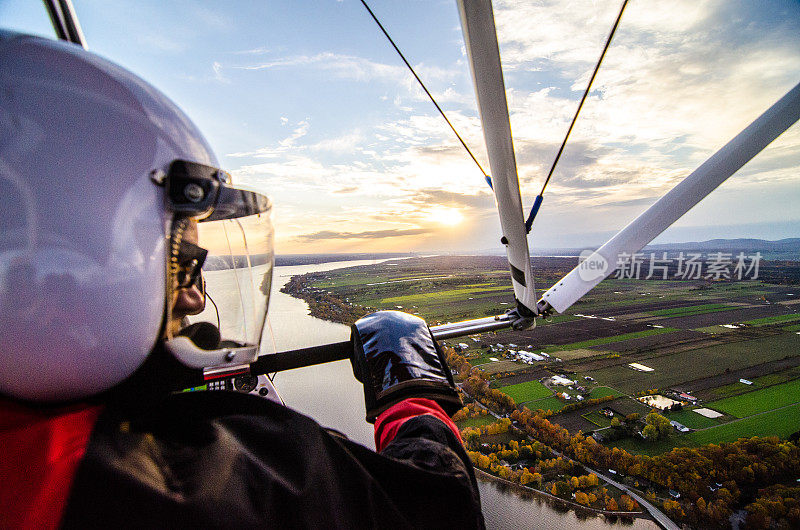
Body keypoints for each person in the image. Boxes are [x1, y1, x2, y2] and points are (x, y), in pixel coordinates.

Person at [0, 31, 484, 529]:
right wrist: (409, 389)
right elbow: (434, 508)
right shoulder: (179, 487)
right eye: (184, 263)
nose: (193, 298)